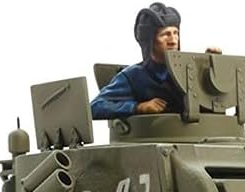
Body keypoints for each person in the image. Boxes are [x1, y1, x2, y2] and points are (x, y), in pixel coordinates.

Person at [90, 3, 219, 120]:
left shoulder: (190, 69)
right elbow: (95, 107)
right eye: (165, 34)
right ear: (150, 40)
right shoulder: (133, 76)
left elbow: (214, 100)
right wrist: (138, 107)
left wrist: (211, 66)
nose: (173, 40)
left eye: (175, 33)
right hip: (152, 134)